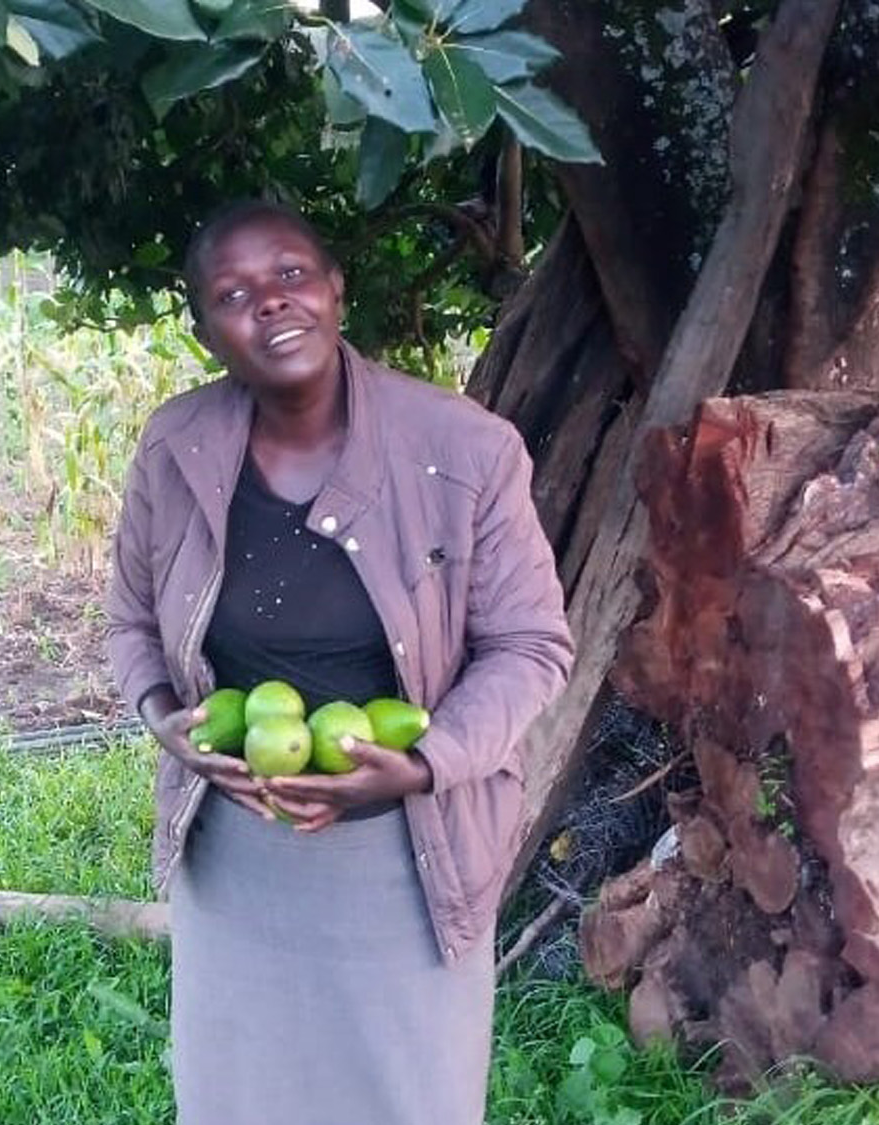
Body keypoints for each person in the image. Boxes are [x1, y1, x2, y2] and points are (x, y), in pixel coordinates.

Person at [105, 199, 574, 1125]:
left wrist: (425, 764)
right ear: (208, 332)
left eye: (290, 276)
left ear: (334, 288)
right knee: (246, 1095)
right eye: (235, 294)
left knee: (407, 1095)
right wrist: (167, 720)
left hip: (410, 860)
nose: (271, 305)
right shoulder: (177, 449)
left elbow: (531, 644)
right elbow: (130, 623)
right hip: (238, 860)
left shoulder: (464, 451)